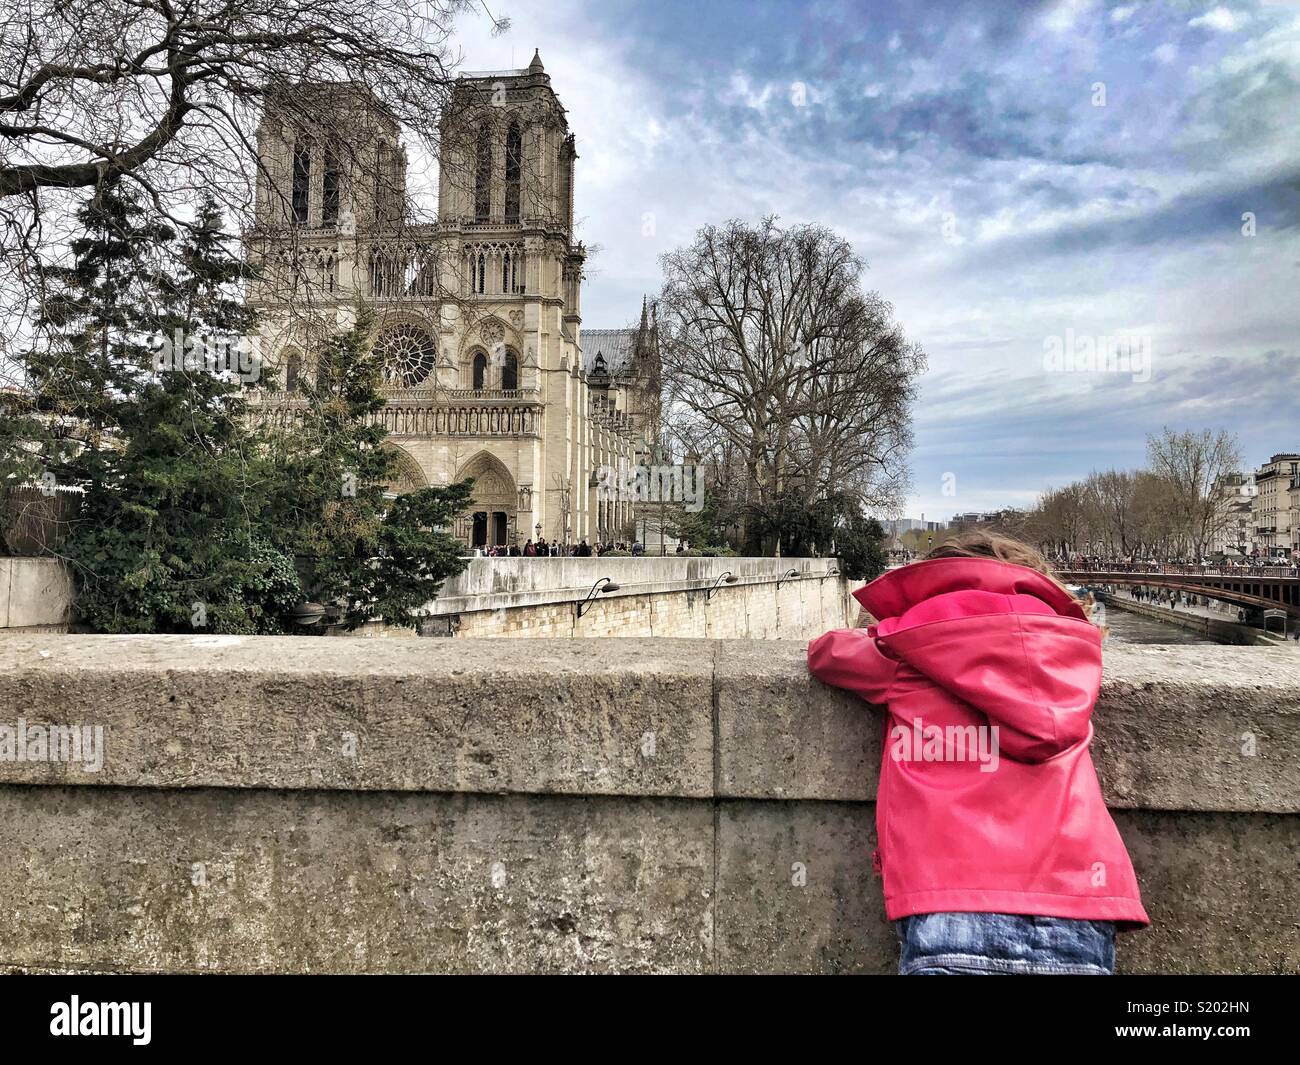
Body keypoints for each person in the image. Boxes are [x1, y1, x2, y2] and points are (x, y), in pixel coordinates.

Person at [808, 531, 1148, 975]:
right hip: (1079, 908)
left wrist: (896, 629)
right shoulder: (1071, 654)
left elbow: (826, 654)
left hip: (951, 908)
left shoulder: (905, 654)